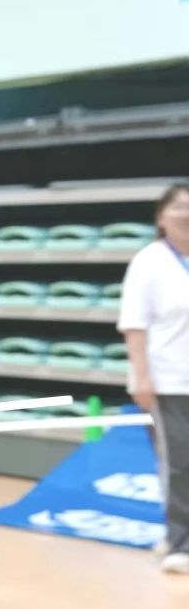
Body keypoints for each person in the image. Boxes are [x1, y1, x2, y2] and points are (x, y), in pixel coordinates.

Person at [118, 182, 189, 575]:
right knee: (178, 465)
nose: (187, 214)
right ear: (161, 217)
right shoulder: (149, 261)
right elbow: (134, 325)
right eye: (179, 207)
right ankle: (180, 543)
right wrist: (141, 378)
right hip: (169, 382)